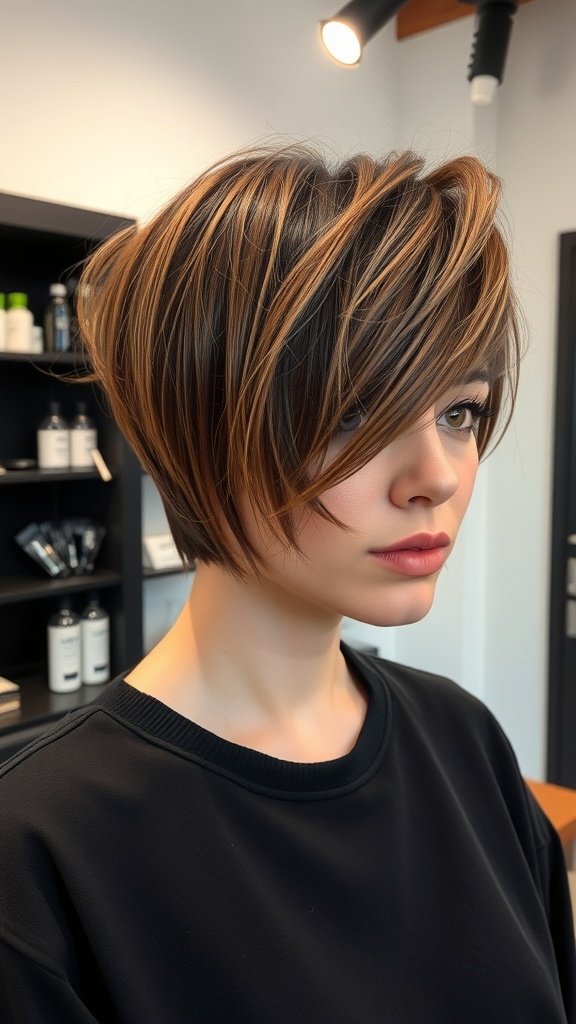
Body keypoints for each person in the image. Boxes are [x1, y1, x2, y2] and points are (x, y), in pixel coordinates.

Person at [0, 143, 575, 1024]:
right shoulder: (39, 851)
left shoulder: (465, 741)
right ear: (199, 416)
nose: (438, 475)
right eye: (356, 412)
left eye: (458, 411)